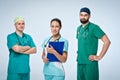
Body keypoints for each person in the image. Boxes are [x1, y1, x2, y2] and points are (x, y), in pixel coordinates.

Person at [76, 7, 111, 80]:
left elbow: (107, 41)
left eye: (85, 15)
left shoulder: (94, 27)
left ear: (89, 16)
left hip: (90, 63)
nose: (83, 17)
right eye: (81, 15)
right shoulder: (78, 29)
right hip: (80, 62)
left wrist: (99, 57)